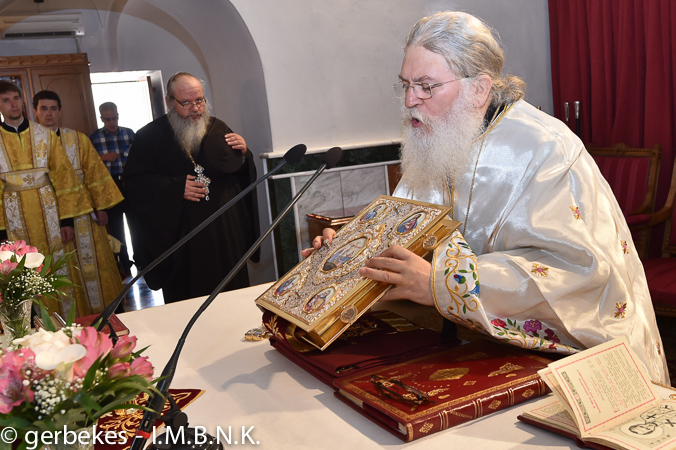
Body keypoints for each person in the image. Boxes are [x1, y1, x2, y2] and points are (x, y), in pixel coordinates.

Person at [303, 11, 669, 384]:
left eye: (426, 86)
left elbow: (578, 274)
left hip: (567, 360)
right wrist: (350, 255)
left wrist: (443, 283)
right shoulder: (432, 141)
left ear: (479, 89)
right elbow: (406, 239)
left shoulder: (546, 149)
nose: (410, 100)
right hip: (464, 347)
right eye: (406, 84)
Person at [123, 72, 259, 303]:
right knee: (190, 299)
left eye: (199, 100)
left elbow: (238, 172)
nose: (195, 108)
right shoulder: (148, 137)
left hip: (225, 234)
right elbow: (134, 184)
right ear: (169, 101)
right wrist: (176, 188)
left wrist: (245, 155)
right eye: (185, 102)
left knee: (232, 298)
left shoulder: (218, 128)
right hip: (183, 240)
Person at [0, 81, 93, 317]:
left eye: (16, 98)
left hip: (49, 211)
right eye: (6, 100)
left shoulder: (45, 135)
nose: (13, 104)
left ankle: (66, 319)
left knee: (57, 266)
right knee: (20, 271)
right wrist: (1, 232)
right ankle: (31, 325)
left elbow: (64, 178)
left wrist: (67, 221)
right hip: (12, 217)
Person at [33, 90, 125, 314]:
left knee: (92, 262)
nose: (49, 113)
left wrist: (100, 207)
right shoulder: (29, 144)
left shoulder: (78, 139)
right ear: (35, 111)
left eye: (53, 108)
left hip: (84, 212)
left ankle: (100, 312)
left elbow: (94, 174)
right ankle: (65, 316)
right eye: (43, 109)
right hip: (48, 214)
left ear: (60, 111)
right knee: (60, 265)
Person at [88, 102, 135, 276]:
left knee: (136, 225)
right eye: (108, 119)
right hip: (109, 185)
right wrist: (102, 157)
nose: (112, 122)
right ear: (102, 119)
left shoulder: (129, 133)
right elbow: (88, 164)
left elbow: (140, 155)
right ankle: (123, 263)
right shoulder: (94, 138)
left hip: (129, 183)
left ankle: (141, 260)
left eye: (114, 118)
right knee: (116, 229)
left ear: (118, 116)